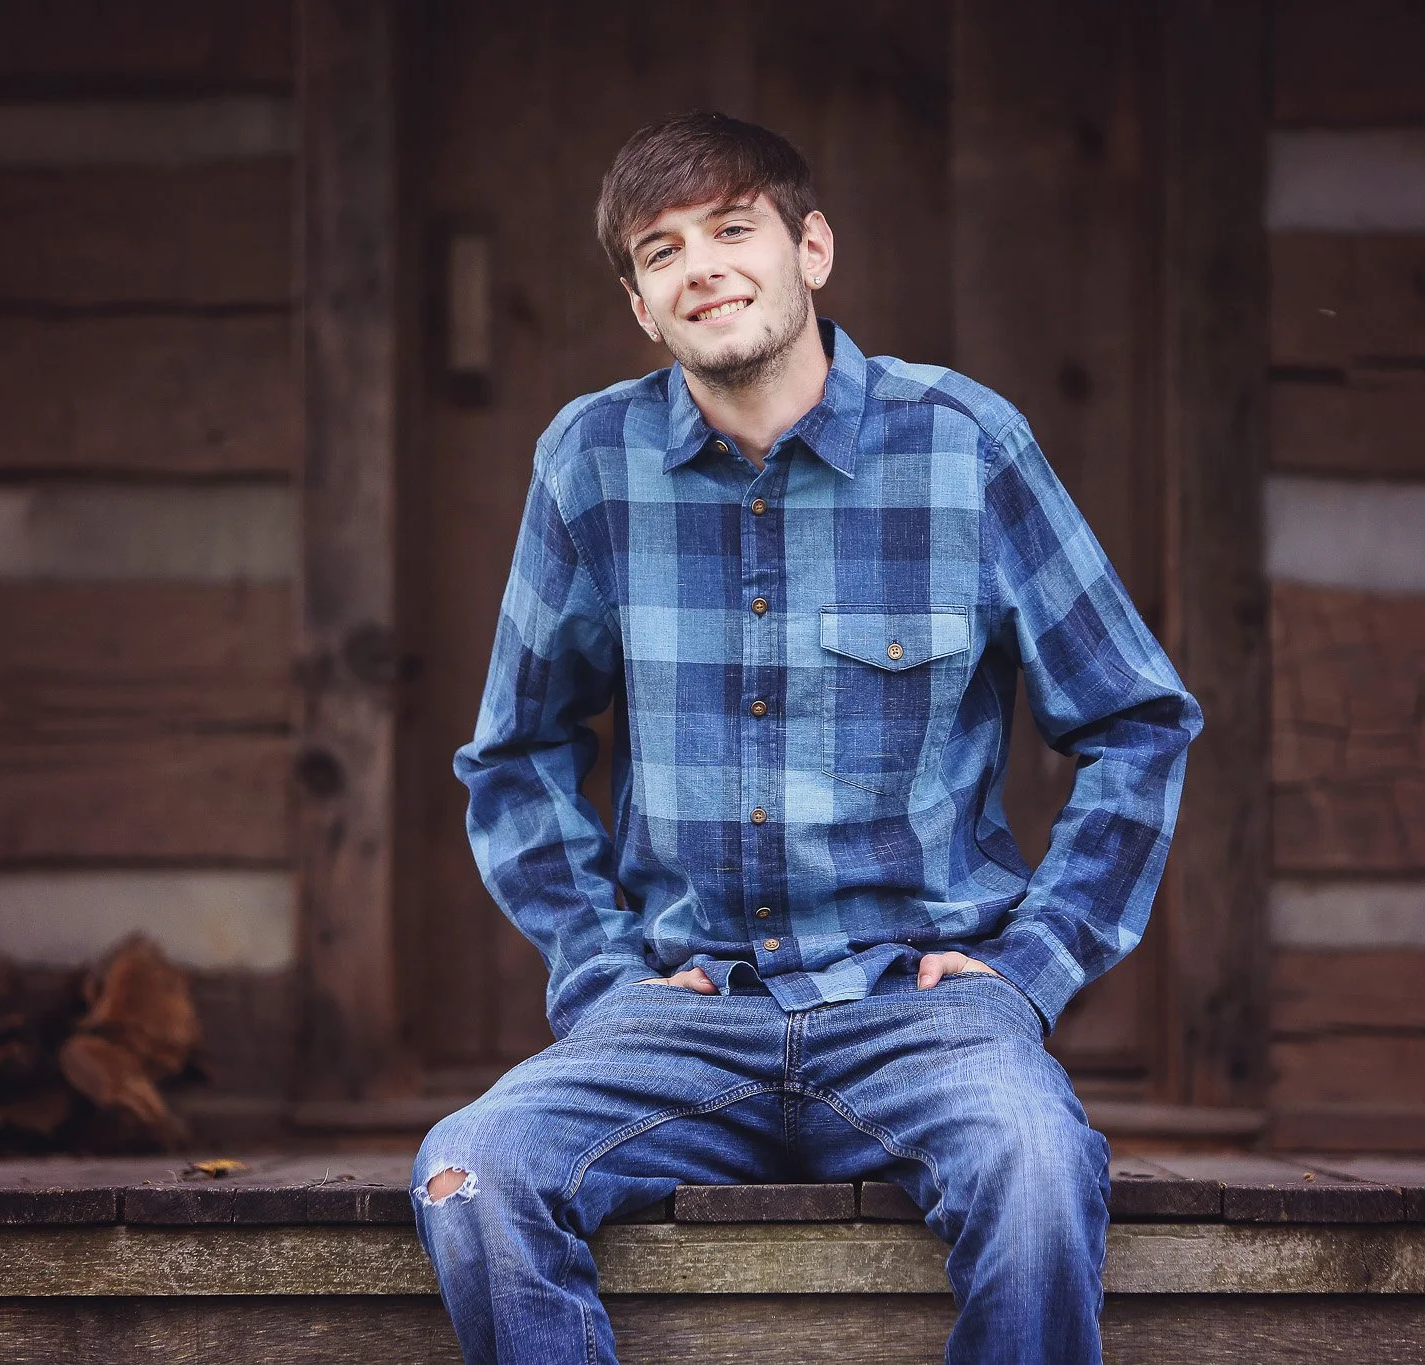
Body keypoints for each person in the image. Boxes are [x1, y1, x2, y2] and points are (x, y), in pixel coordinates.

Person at [410, 110, 1201, 1364]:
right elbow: (515, 757)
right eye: (660, 252)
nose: (702, 268)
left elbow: (1136, 723)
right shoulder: (590, 462)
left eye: (734, 230)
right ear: (639, 306)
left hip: (922, 1011)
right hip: (679, 1016)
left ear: (810, 250)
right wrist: (602, 971)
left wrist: (1038, 962)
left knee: (1040, 1171)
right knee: (472, 1169)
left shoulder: (963, 445)